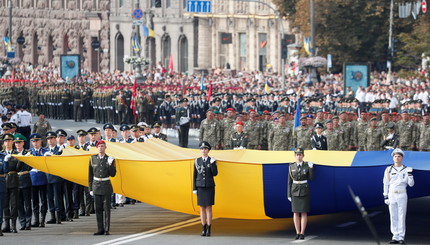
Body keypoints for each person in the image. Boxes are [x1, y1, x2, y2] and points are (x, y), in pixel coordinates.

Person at [383, 148, 414, 244]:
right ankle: (395, 236)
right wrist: (385, 196)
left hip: (402, 193)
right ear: (393, 158)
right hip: (392, 193)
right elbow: (385, 183)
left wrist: (410, 174)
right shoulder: (389, 169)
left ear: (402, 158)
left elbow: (411, 184)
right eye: (395, 156)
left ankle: (401, 237)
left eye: (399, 156)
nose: (397, 158)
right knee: (393, 216)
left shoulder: (406, 169)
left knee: (401, 215)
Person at [88, 140, 116, 235]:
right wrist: (90, 188)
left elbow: (113, 174)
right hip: (96, 186)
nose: (101, 148)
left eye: (102, 146)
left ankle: (107, 229)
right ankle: (100, 229)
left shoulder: (110, 159)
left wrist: (110, 165)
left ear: (105, 147)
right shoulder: (92, 159)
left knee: (106, 209)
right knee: (98, 209)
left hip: (106, 185)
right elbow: (90, 175)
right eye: (99, 146)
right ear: (97, 147)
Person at [288, 148, 314, 240]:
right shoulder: (291, 166)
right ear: (295, 156)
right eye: (297, 155)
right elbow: (289, 182)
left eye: (300, 155)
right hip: (294, 191)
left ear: (303, 155)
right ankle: (297, 232)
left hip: (304, 190)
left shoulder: (306, 165)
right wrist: (289, 194)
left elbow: (311, 178)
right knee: (295, 212)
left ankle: (302, 232)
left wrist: (311, 168)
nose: (299, 156)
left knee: (303, 212)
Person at [193, 141, 218, 237]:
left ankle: (209, 229)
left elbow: (215, 174)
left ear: (208, 150)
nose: (203, 151)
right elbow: (194, 175)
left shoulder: (212, 160)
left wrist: (212, 164)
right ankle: (203, 228)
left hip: (209, 186)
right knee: (202, 208)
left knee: (209, 208)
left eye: (205, 149)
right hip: (200, 186)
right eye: (202, 149)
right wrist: (194, 188)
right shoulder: (197, 161)